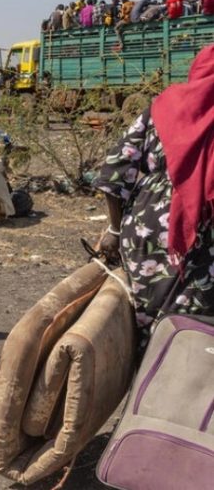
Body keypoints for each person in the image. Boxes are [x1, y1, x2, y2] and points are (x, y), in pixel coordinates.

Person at [94, 44, 214, 335]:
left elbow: (114, 173)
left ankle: (148, 366)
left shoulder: (162, 106)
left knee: (148, 325)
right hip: (205, 241)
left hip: (147, 233)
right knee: (196, 332)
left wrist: (114, 230)